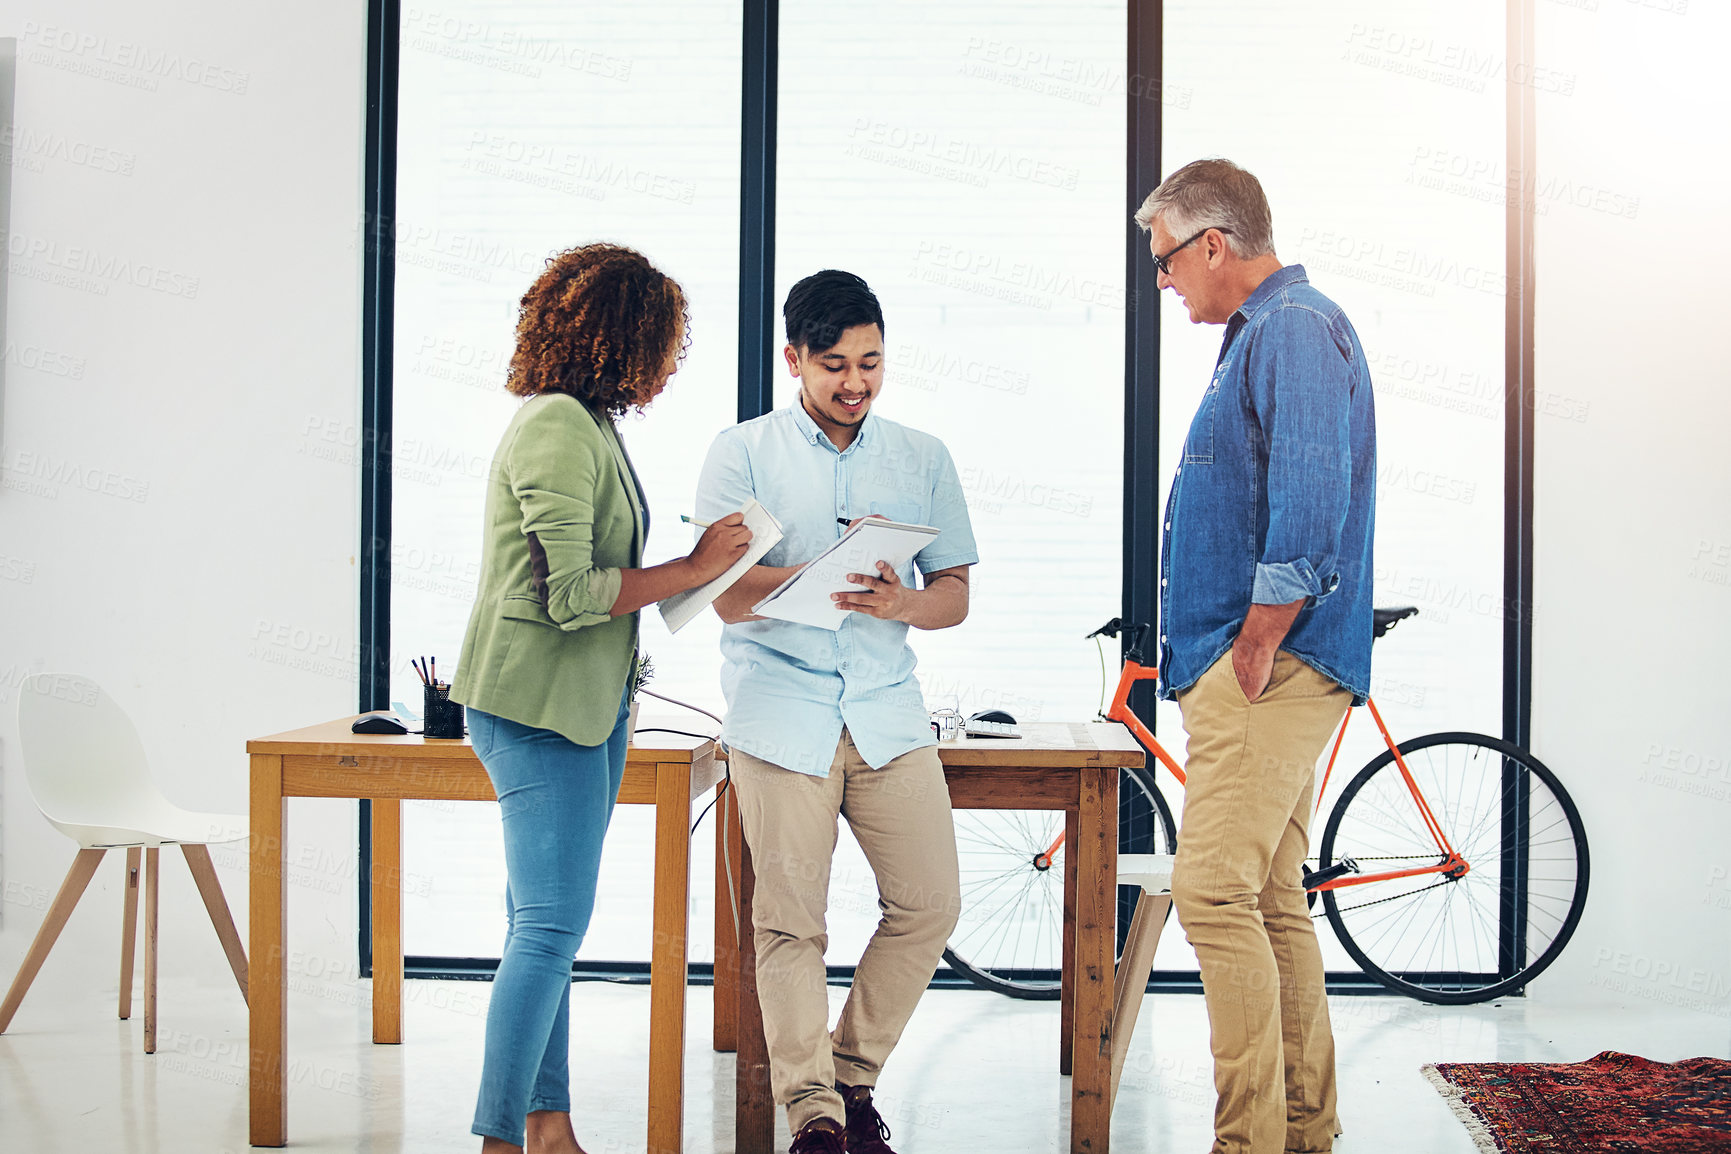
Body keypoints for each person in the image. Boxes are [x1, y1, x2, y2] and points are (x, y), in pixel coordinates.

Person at [451, 243, 753, 1154]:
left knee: (538, 927)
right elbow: (570, 593)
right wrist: (693, 570)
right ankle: (502, 1140)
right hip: (540, 711)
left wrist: (689, 575)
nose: (666, 366)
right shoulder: (554, 425)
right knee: (546, 932)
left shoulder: (585, 424)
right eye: (661, 346)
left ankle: (548, 1128)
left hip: (582, 708)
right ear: (620, 341)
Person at [694, 270, 978, 1154]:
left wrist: (901, 605)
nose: (854, 382)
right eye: (833, 365)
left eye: (871, 362)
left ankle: (851, 1082)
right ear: (793, 360)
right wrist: (818, 579)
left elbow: (955, 594)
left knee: (929, 904)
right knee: (789, 923)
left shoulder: (922, 455)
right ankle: (813, 1116)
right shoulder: (741, 453)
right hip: (779, 716)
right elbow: (724, 597)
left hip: (888, 716)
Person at [1134, 159, 1376, 1154]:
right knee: (1271, 897)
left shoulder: (1291, 328)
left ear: (1213, 245)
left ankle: (1250, 1144)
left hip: (1268, 669)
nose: (1163, 280)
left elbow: (1310, 508)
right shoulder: (1263, 336)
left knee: (1212, 890)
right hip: (1253, 666)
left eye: (1165, 259)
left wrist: (1255, 641)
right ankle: (1303, 1133)